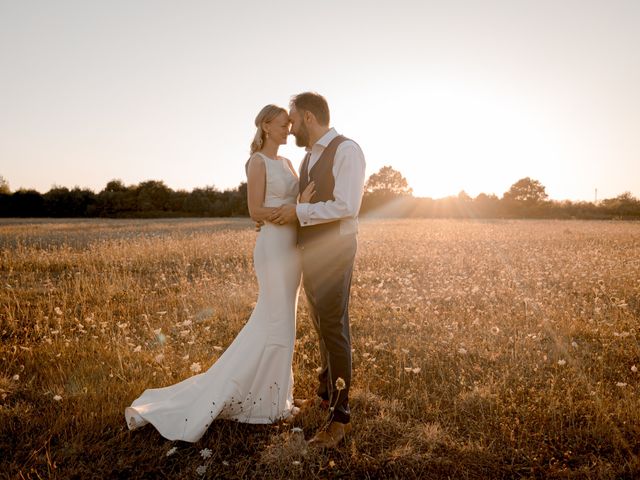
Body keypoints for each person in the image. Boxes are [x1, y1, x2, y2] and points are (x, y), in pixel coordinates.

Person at [124, 104, 315, 442]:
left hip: (292, 249)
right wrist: (293, 210)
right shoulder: (257, 162)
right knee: (276, 322)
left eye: (289, 124)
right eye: (284, 124)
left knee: (285, 323)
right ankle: (266, 405)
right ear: (266, 125)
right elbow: (254, 210)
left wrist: (303, 203)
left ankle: (275, 398)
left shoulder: (286, 163)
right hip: (272, 247)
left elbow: (291, 201)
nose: (289, 129)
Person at [270, 92, 366, 449]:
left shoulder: (346, 150)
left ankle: (340, 419)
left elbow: (347, 206)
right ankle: (326, 394)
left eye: (293, 119)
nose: (290, 126)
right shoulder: (309, 156)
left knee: (334, 327)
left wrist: (300, 213)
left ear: (308, 118)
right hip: (312, 249)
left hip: (336, 249)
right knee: (320, 324)